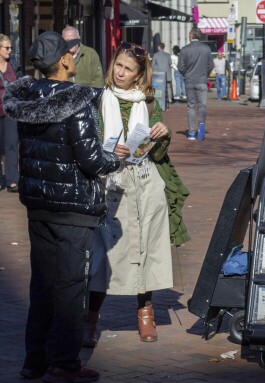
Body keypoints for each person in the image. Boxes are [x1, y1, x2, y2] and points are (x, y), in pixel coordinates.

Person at [3, 31, 121, 382]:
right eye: (71, 54)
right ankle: (64, 363)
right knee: (70, 286)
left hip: (38, 204)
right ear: (66, 61)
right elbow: (90, 159)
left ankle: (34, 360)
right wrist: (115, 159)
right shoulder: (77, 101)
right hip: (72, 206)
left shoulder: (26, 100)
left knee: (42, 284)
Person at [82, 41, 188, 347]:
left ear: (140, 75)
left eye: (128, 69)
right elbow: (89, 139)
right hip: (111, 183)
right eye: (118, 65)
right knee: (105, 252)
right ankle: (91, 317)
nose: (120, 72)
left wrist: (162, 133)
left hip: (145, 181)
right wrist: (107, 148)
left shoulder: (149, 102)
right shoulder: (99, 99)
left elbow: (156, 149)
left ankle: (145, 313)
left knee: (147, 247)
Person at [178, 27, 214, 141]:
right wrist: (205, 74)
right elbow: (211, 65)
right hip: (202, 80)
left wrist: (186, 74)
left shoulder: (184, 50)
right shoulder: (206, 49)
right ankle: (201, 125)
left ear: (191, 36)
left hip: (189, 80)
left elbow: (180, 67)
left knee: (191, 106)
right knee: (202, 105)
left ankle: (192, 132)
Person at [0, 34, 18, 193]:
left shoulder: (14, 65)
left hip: (10, 111)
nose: (10, 50)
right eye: (6, 48)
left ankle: (12, 180)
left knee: (11, 144)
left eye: (10, 47)